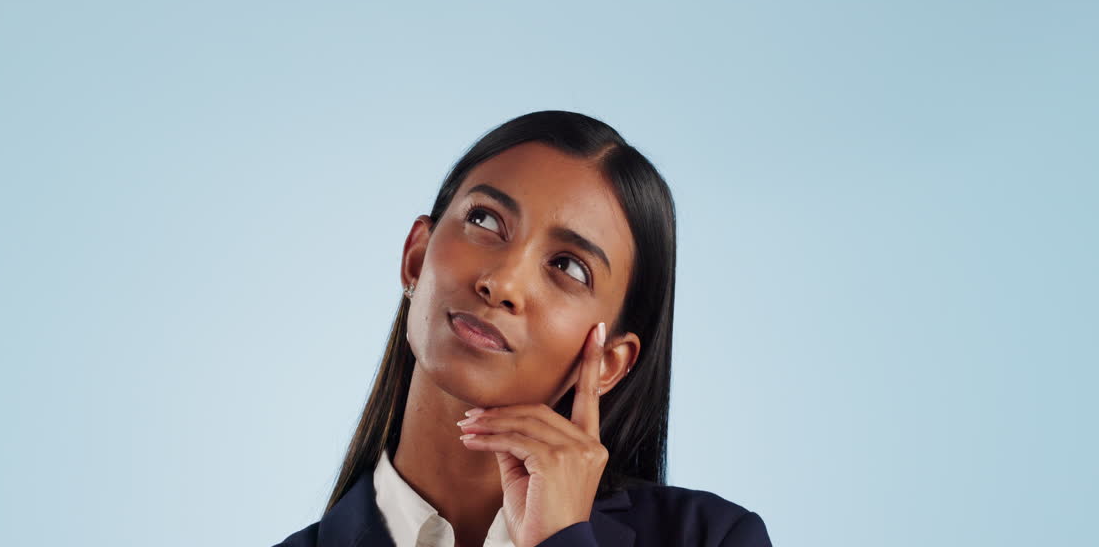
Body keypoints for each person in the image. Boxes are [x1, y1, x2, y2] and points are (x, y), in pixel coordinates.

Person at [272, 110, 772, 547]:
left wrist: (562, 541)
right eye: (486, 221)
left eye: (569, 267)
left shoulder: (714, 537)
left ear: (610, 363)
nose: (502, 282)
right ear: (417, 258)